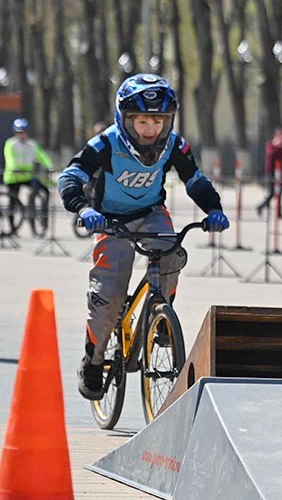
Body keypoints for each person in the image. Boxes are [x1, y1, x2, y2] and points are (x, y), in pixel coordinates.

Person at [57, 74, 229, 400]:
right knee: (108, 294)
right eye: (142, 120)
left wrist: (214, 209)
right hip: (108, 221)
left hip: (151, 214)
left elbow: (194, 179)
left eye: (159, 120)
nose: (151, 129)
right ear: (125, 119)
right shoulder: (106, 144)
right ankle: (93, 360)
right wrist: (82, 209)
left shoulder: (174, 145)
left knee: (172, 252)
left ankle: (161, 318)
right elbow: (71, 176)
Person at [3, 118, 55, 207]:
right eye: (19, 133)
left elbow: (41, 156)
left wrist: (49, 166)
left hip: (27, 176)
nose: (21, 135)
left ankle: (39, 213)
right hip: (13, 176)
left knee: (44, 190)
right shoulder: (10, 143)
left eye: (23, 132)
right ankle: (12, 220)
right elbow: (9, 158)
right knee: (12, 201)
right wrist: (14, 168)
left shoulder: (32, 144)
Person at [256, 127, 282, 218]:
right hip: (272, 173)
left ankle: (279, 212)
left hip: (281, 172)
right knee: (272, 192)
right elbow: (271, 155)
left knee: (280, 193)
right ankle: (261, 206)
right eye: (279, 135)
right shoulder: (270, 145)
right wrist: (277, 146)